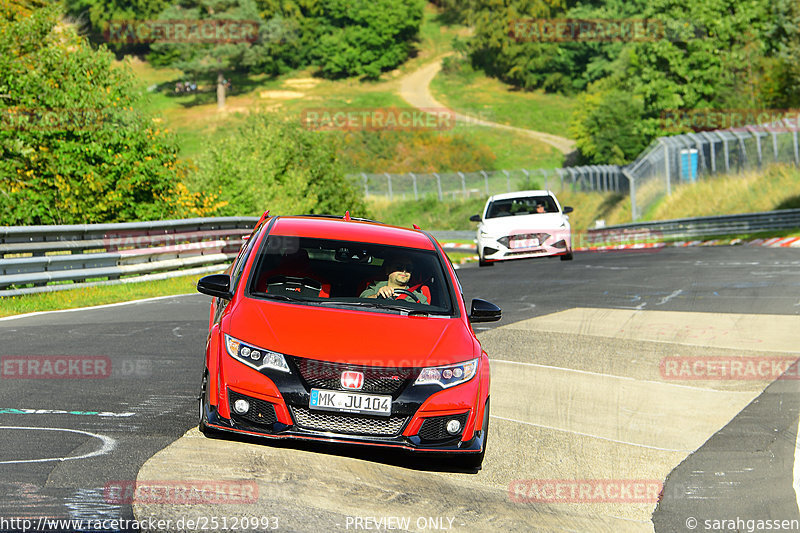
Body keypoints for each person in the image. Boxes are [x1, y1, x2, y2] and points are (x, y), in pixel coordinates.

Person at [359, 256, 429, 304]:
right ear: (388, 270)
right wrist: (377, 296)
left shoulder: (418, 296)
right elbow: (360, 302)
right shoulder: (375, 287)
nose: (404, 271)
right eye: (399, 267)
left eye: (408, 269)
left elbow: (427, 315)